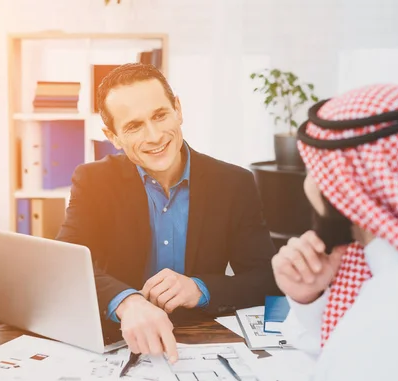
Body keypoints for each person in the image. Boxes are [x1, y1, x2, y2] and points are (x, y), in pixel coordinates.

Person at [57, 62, 280, 361]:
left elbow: (265, 278)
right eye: (134, 126)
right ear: (113, 136)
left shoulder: (234, 183)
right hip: (120, 341)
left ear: (178, 109)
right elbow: (67, 266)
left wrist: (200, 288)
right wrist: (126, 301)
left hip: (204, 341)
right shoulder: (92, 180)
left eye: (160, 115)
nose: (154, 136)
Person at [271, 83, 398, 381]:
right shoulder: (393, 277)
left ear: (347, 184)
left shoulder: (392, 316)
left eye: (315, 169)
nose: (309, 182)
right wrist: (310, 299)